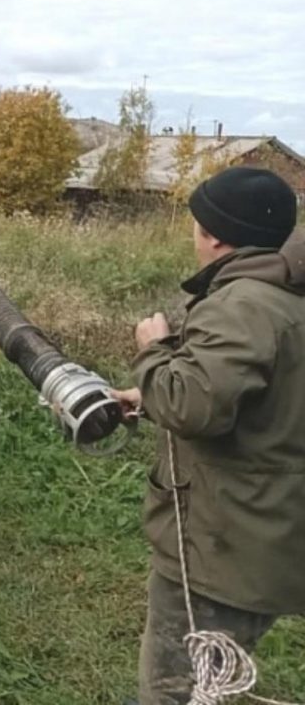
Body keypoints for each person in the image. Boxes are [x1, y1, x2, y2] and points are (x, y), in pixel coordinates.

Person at [112, 167, 304, 705]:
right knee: (210, 684)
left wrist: (155, 349)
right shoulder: (287, 299)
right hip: (265, 538)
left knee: (178, 689)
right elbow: (261, 408)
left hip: (220, 549)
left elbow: (192, 406)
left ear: (216, 234)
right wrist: (147, 396)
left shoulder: (243, 304)